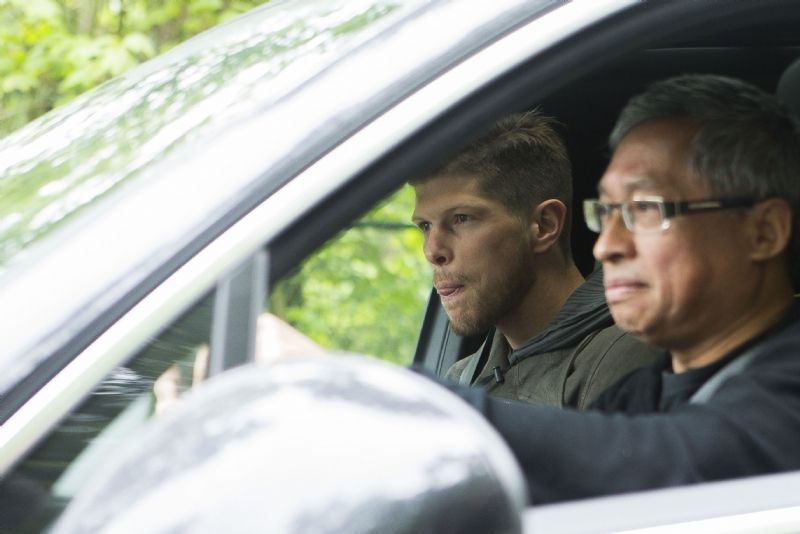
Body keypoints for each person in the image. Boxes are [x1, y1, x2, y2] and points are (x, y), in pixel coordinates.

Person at [453, 73, 800, 503]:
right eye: (607, 212)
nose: (606, 246)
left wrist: (428, 414)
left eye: (645, 209)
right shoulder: (640, 393)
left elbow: (683, 459)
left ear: (764, 232)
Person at [411, 111, 661, 408]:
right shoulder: (462, 377)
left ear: (544, 225)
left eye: (461, 218)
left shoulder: (622, 363)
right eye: (425, 226)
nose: (432, 251)